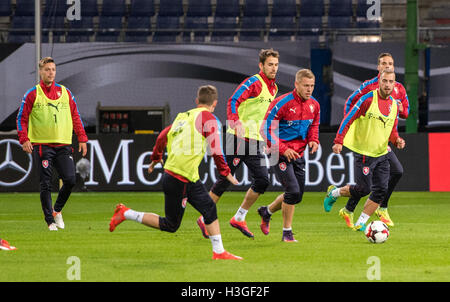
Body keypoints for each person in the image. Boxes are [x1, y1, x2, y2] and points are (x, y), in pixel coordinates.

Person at [109, 85, 243, 260]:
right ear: (215, 103)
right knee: (171, 225)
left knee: (209, 208)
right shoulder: (208, 118)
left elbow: (162, 136)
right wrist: (225, 172)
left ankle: (219, 252)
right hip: (178, 177)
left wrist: (156, 156)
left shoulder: (183, 117)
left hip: (186, 176)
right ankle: (126, 213)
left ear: (197, 101)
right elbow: (215, 148)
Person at [197, 49, 279, 239]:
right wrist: (235, 121)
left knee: (263, 180)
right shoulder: (253, 82)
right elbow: (233, 100)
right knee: (225, 180)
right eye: (270, 64)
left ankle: (239, 217)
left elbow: (263, 116)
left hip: (255, 142)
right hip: (238, 138)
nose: (273, 68)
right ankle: (204, 218)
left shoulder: (273, 89)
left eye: (275, 65)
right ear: (261, 66)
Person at [326, 53, 409, 228]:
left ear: (394, 83)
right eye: (384, 81)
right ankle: (335, 193)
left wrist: (397, 140)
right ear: (379, 78)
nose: (387, 84)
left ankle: (362, 223)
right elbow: (348, 117)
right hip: (364, 151)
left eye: (390, 82)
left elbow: (392, 129)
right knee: (364, 189)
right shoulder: (367, 96)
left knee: (381, 189)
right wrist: (340, 139)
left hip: (382, 151)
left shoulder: (395, 103)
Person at [17, 57, 88, 231]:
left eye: (53, 69)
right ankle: (50, 221)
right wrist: (24, 138)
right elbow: (21, 119)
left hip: (63, 144)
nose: (51, 72)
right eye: (47, 69)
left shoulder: (65, 93)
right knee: (46, 183)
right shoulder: (33, 94)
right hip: (43, 145)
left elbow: (75, 116)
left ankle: (56, 211)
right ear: (41, 72)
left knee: (70, 180)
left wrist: (82, 138)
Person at [257, 69, 320, 242]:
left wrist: (314, 140)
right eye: (306, 86)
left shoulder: (314, 105)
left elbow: (314, 125)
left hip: (298, 154)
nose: (309, 89)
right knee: (292, 191)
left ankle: (266, 211)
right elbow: (265, 129)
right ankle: (287, 233)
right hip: (278, 153)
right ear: (297, 84)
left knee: (296, 195)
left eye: (312, 86)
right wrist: (283, 149)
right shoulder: (282, 103)